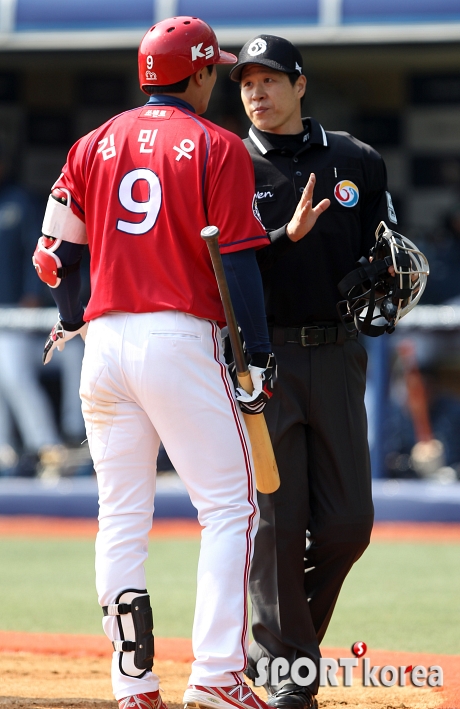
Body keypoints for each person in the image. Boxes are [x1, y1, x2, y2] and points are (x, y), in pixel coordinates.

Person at [32, 18, 327, 709]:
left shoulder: (91, 144)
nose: (217, 80)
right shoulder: (217, 145)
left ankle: (133, 683)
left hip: (102, 344)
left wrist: (75, 315)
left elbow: (53, 258)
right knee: (232, 506)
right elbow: (238, 260)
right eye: (213, 71)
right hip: (176, 337)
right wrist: (256, 352)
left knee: (122, 514)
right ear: (194, 74)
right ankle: (217, 675)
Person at [229, 35, 399, 709]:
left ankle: (277, 639)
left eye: (271, 80)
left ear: (301, 85)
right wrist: (283, 240)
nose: (258, 94)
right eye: (246, 84)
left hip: (337, 353)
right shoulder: (227, 164)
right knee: (276, 520)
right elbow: (215, 272)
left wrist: (381, 273)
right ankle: (288, 671)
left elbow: (384, 248)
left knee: (348, 525)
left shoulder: (355, 159)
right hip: (261, 358)